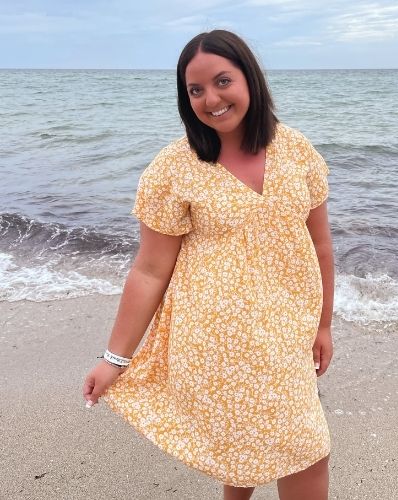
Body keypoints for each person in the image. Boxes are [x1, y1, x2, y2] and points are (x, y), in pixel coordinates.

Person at [82, 29, 334, 500]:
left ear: (250, 80)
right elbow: (149, 270)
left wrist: (323, 325)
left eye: (222, 81)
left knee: (283, 442)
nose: (210, 99)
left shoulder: (295, 150)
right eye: (195, 90)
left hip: (286, 330)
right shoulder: (174, 168)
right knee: (292, 447)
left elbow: (319, 246)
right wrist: (114, 359)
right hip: (216, 337)